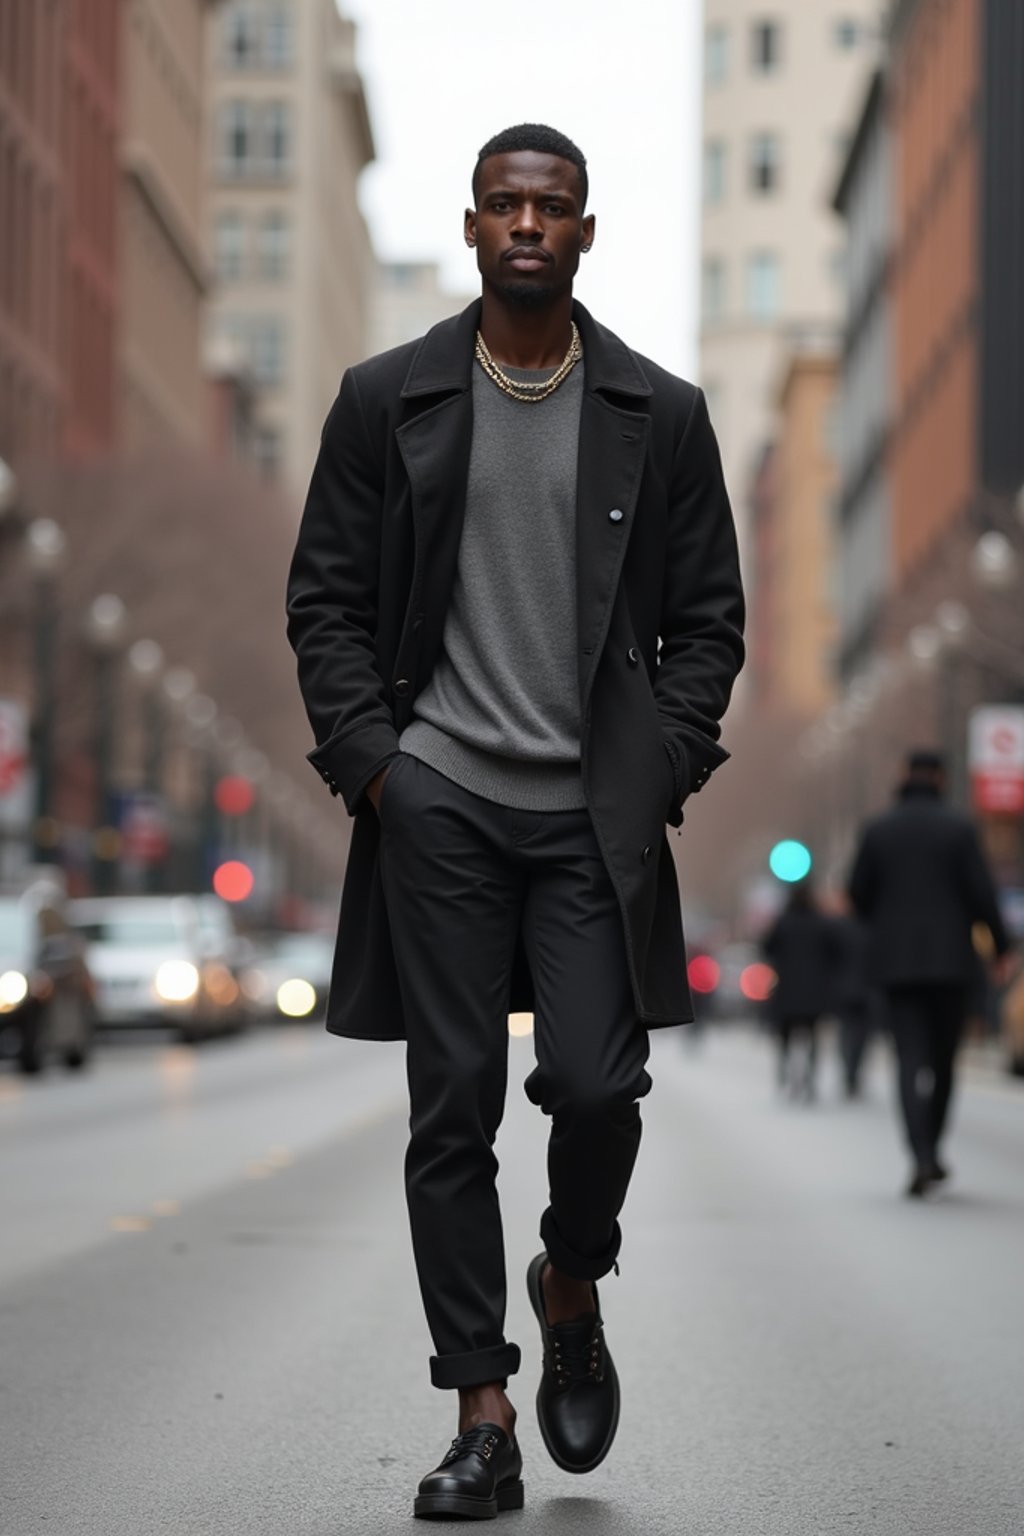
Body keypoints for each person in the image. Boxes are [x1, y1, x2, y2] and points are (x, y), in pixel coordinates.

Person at [286, 123, 744, 1518]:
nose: (529, 224)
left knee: (601, 1087)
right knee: (454, 1108)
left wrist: (658, 766)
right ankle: (483, 1410)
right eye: (506, 204)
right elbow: (325, 605)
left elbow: (710, 625)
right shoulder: (388, 400)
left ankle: (573, 1274)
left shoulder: (659, 415)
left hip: (591, 818)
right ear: (475, 225)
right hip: (441, 807)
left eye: (554, 206)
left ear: (587, 233)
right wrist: (383, 769)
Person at [848, 748, 1012, 1198]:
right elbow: (982, 894)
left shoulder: (878, 830)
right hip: (951, 965)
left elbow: (857, 893)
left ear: (904, 775)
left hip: (896, 965)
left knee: (908, 1058)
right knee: (943, 1062)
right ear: (941, 778)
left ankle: (918, 1153)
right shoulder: (959, 828)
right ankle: (934, 1147)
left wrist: (884, 926)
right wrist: (1001, 949)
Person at [761, 880, 836, 1101]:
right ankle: (809, 1079)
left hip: (787, 989)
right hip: (814, 990)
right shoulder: (821, 923)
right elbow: (834, 952)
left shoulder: (783, 922)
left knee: (785, 1035)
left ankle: (785, 1073)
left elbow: (767, 947)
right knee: (812, 1036)